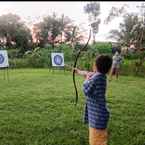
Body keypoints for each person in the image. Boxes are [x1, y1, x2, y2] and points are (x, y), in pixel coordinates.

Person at [74, 54, 112, 145]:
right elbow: (89, 74)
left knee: (96, 141)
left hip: (97, 118)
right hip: (98, 116)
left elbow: (86, 89)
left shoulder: (97, 78)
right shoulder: (101, 76)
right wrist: (79, 72)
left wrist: (87, 78)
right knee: (99, 139)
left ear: (95, 65)